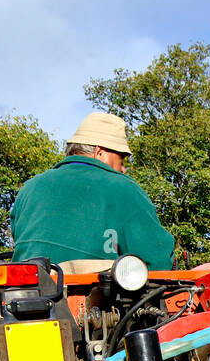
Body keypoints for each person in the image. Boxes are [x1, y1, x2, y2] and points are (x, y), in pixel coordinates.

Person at [10, 112, 175, 270]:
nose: (123, 169)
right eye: (121, 160)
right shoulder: (123, 189)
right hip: (89, 296)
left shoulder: (30, 187)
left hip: (24, 294)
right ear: (100, 152)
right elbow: (157, 261)